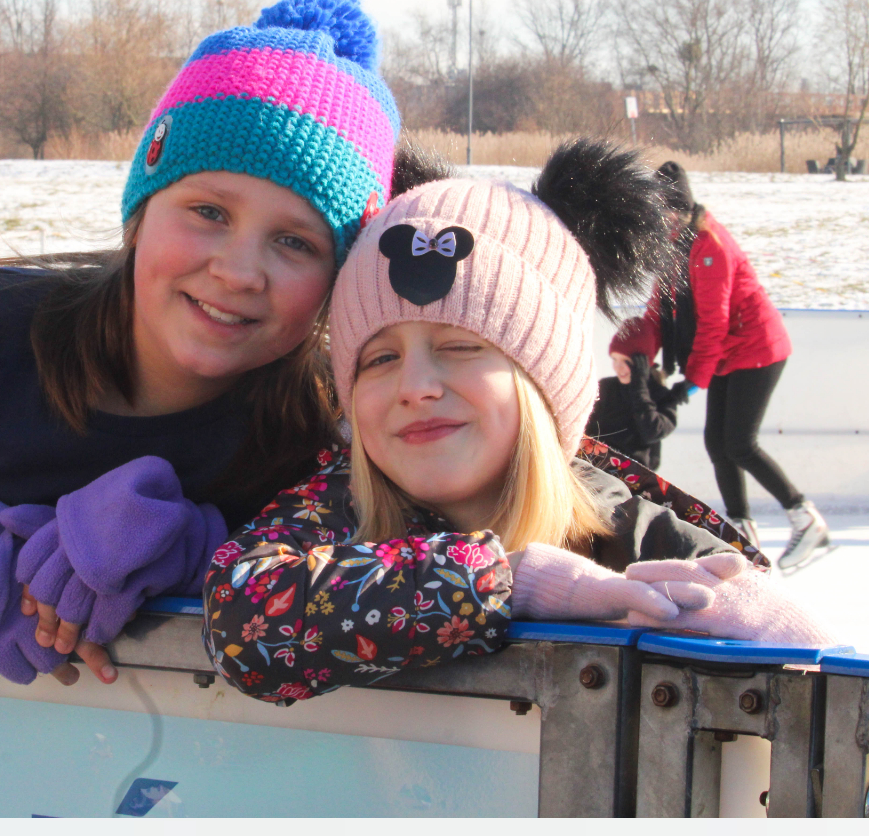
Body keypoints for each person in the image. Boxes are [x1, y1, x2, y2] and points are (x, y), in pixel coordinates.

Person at [0, 0, 400, 688]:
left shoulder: (330, 439)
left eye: (294, 241)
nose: (240, 271)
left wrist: (203, 550)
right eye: (209, 211)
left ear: (337, 279)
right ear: (140, 212)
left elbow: (374, 585)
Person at [203, 141, 831, 702]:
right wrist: (509, 584)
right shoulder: (339, 512)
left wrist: (754, 617)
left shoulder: (632, 533)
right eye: (379, 359)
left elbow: (810, 681)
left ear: (544, 382)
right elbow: (241, 619)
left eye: (461, 347)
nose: (415, 387)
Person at [613, 169, 830, 570]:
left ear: (678, 210)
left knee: (739, 442)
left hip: (757, 348)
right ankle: (744, 536)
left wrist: (691, 385)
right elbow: (658, 312)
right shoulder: (674, 247)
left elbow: (713, 325)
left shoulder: (710, 248)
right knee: (718, 443)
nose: (656, 222)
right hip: (729, 353)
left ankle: (805, 518)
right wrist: (635, 352)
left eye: (661, 213)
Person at [585, 348, 679, 470]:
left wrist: (639, 388)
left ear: (644, 364)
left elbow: (652, 432)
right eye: (614, 359)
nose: (618, 367)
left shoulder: (661, 395)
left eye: (626, 361)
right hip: (596, 466)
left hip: (635, 474)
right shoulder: (606, 387)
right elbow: (585, 429)